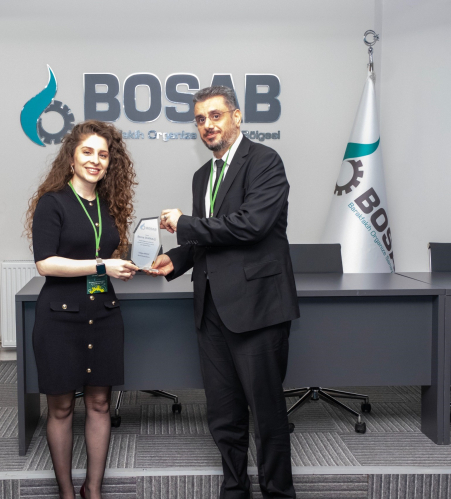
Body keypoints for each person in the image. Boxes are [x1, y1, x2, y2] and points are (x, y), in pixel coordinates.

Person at [152, 86, 299, 499]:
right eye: (200, 119)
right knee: (222, 412)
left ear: (236, 117)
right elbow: (209, 239)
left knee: (266, 414)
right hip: (211, 309)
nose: (207, 125)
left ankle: (278, 493)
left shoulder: (265, 161)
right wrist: (176, 259)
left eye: (215, 116)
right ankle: (234, 488)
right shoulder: (203, 176)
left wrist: (183, 223)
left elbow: (250, 225)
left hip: (257, 308)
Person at [25, 120, 139, 499]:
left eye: (103, 155)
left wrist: (127, 264)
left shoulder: (109, 204)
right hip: (59, 319)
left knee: (100, 404)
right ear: (71, 159)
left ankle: (93, 490)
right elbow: (45, 264)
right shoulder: (53, 202)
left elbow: (104, 253)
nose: (95, 160)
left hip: (103, 315)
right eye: (87, 152)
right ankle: (66, 492)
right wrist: (104, 266)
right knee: (60, 409)